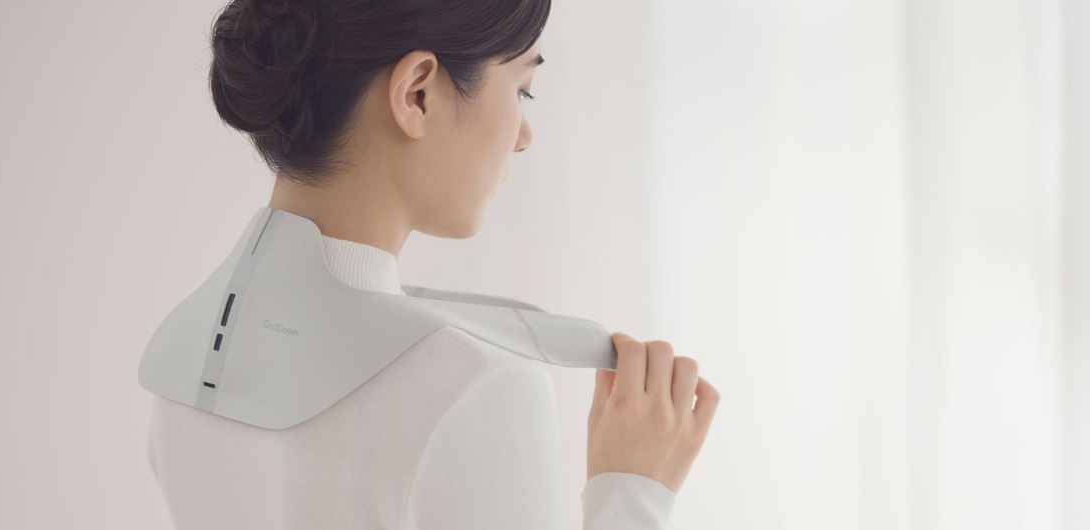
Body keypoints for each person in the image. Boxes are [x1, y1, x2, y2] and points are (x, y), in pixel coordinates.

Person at [145, 0, 721, 528]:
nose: (524, 137)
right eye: (522, 90)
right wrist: (633, 494)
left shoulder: (185, 359)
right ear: (417, 93)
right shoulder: (479, 386)